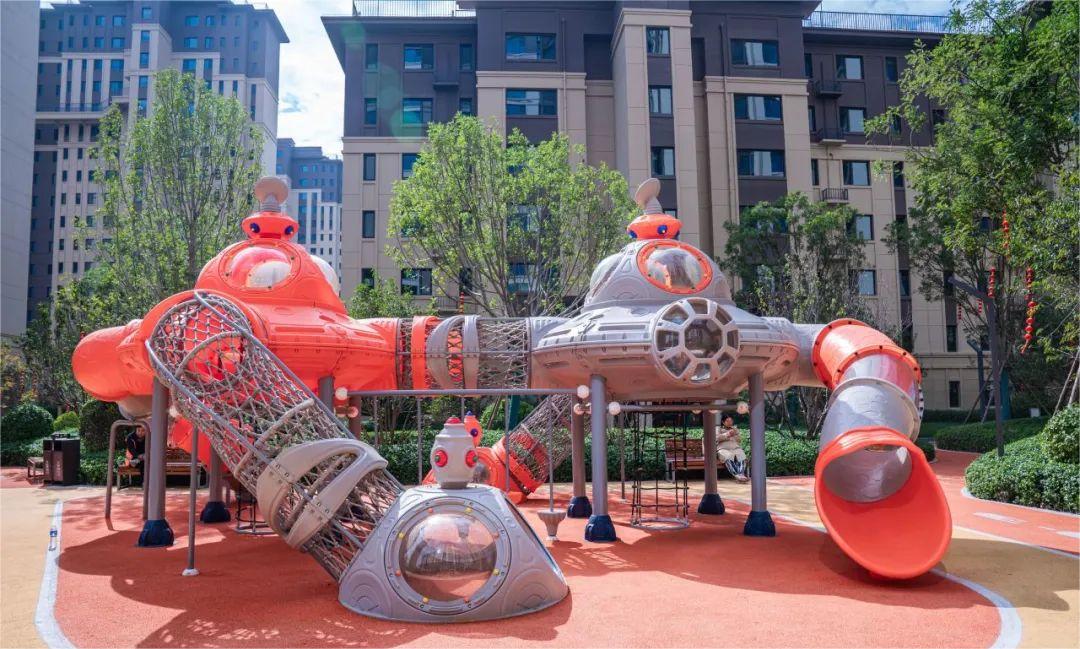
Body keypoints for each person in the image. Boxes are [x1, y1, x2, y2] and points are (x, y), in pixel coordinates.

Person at [715, 416, 749, 482]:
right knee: (728, 456)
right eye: (727, 421)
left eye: (731, 421)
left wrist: (733, 435)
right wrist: (727, 434)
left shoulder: (735, 429)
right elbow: (717, 438)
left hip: (735, 448)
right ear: (723, 422)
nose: (730, 422)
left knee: (741, 455)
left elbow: (739, 439)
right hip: (723, 449)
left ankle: (741, 474)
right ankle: (736, 475)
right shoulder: (718, 429)